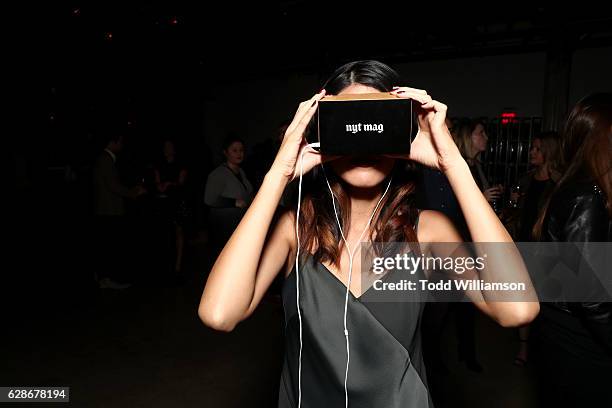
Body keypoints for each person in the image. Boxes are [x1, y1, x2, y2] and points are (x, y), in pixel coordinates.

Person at [198, 60, 539, 407]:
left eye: (377, 120)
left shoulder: (428, 230)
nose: (363, 138)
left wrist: (453, 164)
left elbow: (516, 310)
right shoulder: (295, 228)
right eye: (348, 122)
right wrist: (278, 176)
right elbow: (219, 313)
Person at [532, 93, 612, 408]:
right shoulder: (586, 195)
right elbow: (590, 294)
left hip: (565, 333)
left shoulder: (578, 187)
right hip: (579, 340)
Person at [510, 131, 561, 366]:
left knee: (545, 300)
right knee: (524, 298)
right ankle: (523, 349)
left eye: (537, 148)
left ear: (548, 152)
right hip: (523, 247)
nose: (532, 152)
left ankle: (542, 346)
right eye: (532, 148)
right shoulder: (526, 179)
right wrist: (513, 201)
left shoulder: (559, 184)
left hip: (546, 251)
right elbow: (515, 213)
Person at [92, 131, 146, 289]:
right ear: (113, 142)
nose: (121, 145)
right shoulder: (106, 159)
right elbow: (112, 185)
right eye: (120, 142)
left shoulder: (104, 159)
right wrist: (134, 193)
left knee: (106, 244)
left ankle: (103, 276)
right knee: (110, 245)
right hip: (108, 210)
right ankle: (106, 279)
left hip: (105, 209)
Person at [204, 135, 254, 252]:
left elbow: (246, 193)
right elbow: (209, 199)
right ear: (225, 153)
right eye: (234, 150)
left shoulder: (241, 171)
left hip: (240, 225)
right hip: (225, 226)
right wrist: (233, 202)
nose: (239, 153)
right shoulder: (218, 174)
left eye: (241, 150)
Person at [153, 140, 190, 279]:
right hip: (163, 202)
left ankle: (178, 266)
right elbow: (157, 183)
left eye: (170, 146)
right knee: (164, 232)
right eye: (165, 147)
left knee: (179, 231)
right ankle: (166, 264)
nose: (168, 149)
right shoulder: (158, 165)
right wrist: (160, 186)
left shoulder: (181, 164)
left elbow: (181, 182)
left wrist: (168, 184)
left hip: (177, 200)